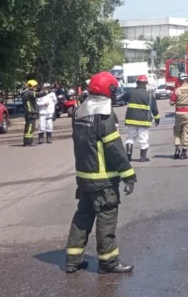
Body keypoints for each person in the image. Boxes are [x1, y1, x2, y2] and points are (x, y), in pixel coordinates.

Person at [65, 71, 136, 275]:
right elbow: (114, 149)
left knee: (83, 217)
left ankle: (73, 260)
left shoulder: (79, 112)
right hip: (103, 180)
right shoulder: (104, 115)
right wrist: (129, 175)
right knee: (106, 218)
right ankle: (108, 263)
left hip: (84, 178)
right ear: (109, 90)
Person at [120, 75, 159, 162]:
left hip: (131, 120)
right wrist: (157, 118)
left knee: (130, 137)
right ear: (146, 84)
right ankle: (143, 157)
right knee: (143, 138)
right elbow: (154, 109)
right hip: (143, 121)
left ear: (137, 83)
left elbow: (122, 99)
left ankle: (128, 156)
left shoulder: (131, 92)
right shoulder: (149, 95)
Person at [170, 74, 188, 159]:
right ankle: (183, 152)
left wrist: (178, 101)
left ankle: (176, 150)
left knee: (177, 131)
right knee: (187, 132)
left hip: (178, 113)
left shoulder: (177, 90)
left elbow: (171, 103)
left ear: (181, 80)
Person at [21, 80, 39, 147]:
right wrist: (47, 91)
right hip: (30, 113)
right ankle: (28, 142)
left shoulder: (26, 92)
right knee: (30, 127)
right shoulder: (29, 92)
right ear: (30, 86)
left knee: (29, 127)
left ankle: (28, 141)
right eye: (34, 86)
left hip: (29, 112)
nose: (36, 88)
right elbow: (38, 94)